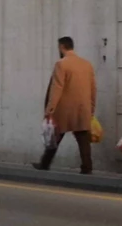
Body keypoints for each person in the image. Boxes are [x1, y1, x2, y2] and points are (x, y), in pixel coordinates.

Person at [34, 36, 97, 174]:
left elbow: (57, 88)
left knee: (55, 137)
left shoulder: (61, 64)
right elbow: (93, 88)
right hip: (83, 109)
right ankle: (87, 167)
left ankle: (45, 163)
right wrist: (92, 108)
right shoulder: (87, 64)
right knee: (83, 138)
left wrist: (50, 109)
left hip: (64, 110)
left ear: (62, 47)